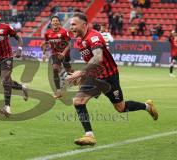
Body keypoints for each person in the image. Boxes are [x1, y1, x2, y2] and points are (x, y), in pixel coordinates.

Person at [68, 13, 158, 146]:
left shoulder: (93, 36)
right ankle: (89, 135)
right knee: (78, 101)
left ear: (84, 24)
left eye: (74, 24)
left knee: (121, 108)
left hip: (110, 77)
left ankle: (147, 106)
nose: (71, 27)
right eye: (70, 25)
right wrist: (83, 78)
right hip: (95, 78)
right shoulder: (79, 42)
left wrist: (80, 73)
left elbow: (98, 58)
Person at [41, 16, 72, 98]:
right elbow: (45, 43)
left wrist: (64, 53)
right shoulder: (47, 33)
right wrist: (44, 53)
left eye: (56, 21)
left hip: (65, 54)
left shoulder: (64, 32)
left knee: (70, 73)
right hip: (54, 54)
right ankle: (58, 91)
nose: (55, 22)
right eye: (53, 21)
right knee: (55, 69)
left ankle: (73, 78)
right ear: (51, 23)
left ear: (59, 22)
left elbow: (69, 44)